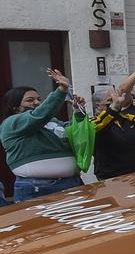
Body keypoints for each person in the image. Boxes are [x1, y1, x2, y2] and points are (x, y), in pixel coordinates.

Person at [0, 69, 83, 201]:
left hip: (71, 184)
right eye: (30, 100)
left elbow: (76, 133)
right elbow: (39, 115)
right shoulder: (11, 123)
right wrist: (61, 90)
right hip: (37, 189)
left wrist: (78, 111)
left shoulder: (53, 121)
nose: (37, 102)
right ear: (15, 107)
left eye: (39, 99)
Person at [90, 86, 135, 180]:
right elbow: (97, 126)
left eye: (117, 99)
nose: (117, 102)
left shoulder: (127, 118)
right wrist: (113, 108)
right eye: (110, 100)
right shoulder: (94, 122)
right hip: (111, 177)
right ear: (98, 106)